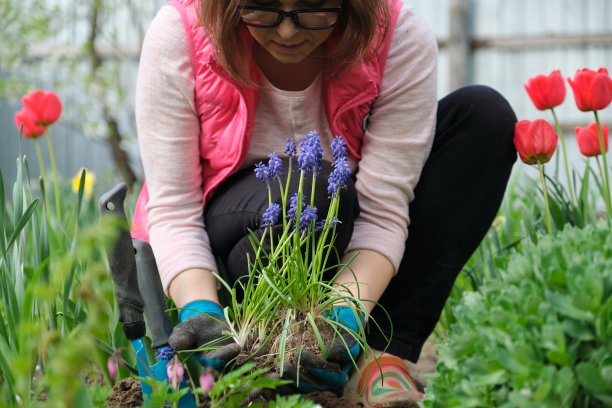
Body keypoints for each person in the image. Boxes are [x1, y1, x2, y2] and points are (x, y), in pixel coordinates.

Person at [132, 0, 517, 405]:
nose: (287, 32)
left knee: (483, 119)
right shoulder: (182, 33)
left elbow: (384, 210)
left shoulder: (396, 34)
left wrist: (342, 320)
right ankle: (260, 360)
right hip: (230, 256)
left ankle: (376, 356)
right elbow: (174, 210)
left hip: (354, 253)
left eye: (314, 10)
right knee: (303, 194)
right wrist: (201, 311)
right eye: (261, 9)